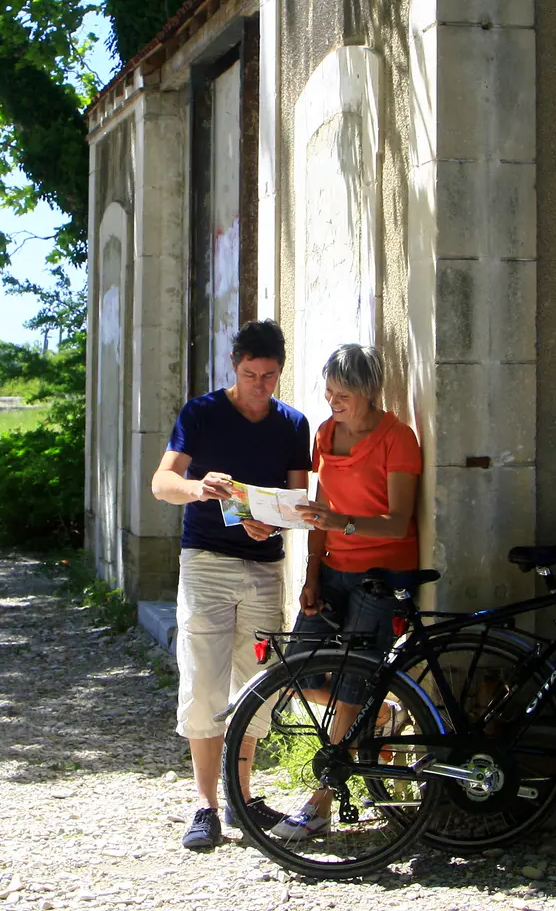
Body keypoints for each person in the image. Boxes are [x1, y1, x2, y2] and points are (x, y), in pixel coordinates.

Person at [151, 320, 311, 850]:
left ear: (280, 372)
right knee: (203, 679)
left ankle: (241, 795)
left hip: (266, 567)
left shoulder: (293, 424)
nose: (259, 386)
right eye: (250, 374)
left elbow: (297, 502)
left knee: (257, 680)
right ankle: (205, 805)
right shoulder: (201, 413)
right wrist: (199, 487)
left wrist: (275, 520)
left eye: (269, 376)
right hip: (206, 563)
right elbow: (162, 483)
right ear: (233, 364)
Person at [271, 343, 423, 839]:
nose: (332, 400)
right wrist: (311, 574)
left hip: (381, 575)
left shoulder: (398, 439)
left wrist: (344, 524)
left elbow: (399, 522)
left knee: (352, 686)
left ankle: (321, 802)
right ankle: (385, 715)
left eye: (343, 392)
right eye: (329, 391)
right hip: (332, 568)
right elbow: (320, 509)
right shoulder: (325, 433)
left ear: (369, 390)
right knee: (298, 671)